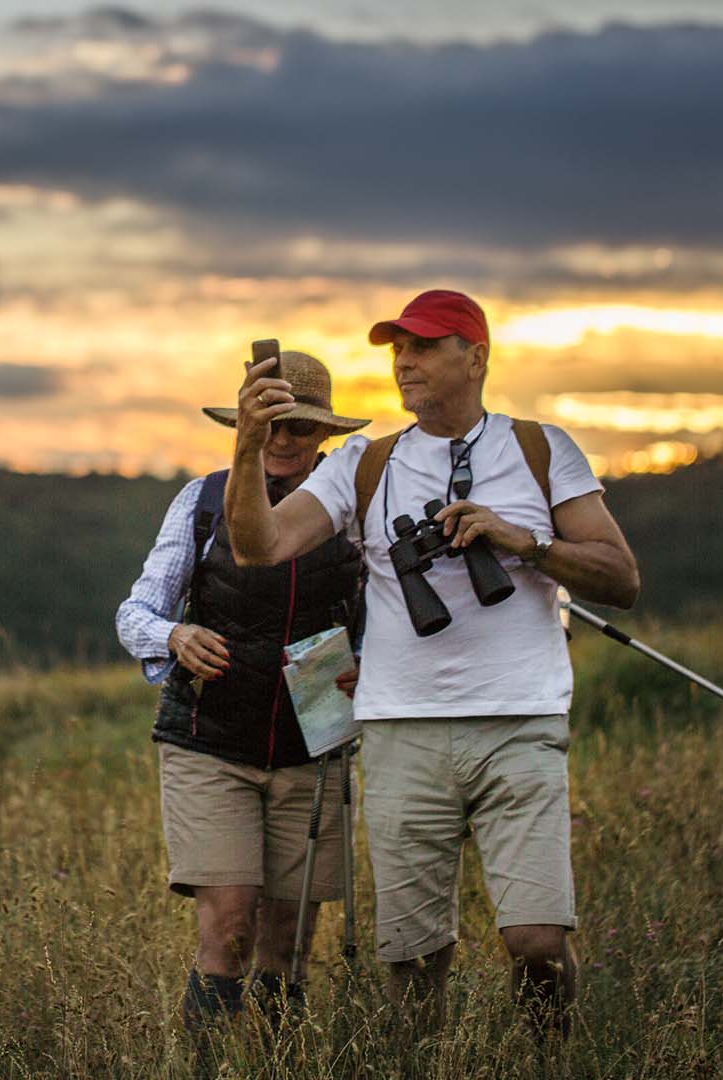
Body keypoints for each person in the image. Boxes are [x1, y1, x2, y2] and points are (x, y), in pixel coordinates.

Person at [222, 289, 641, 1037]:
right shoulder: (364, 462)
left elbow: (622, 577)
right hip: (401, 730)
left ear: (474, 356)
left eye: (422, 345)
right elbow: (260, 546)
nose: (404, 362)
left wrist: (522, 543)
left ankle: (550, 1056)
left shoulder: (543, 449)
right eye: (396, 349)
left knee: (538, 944)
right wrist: (247, 446)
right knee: (413, 958)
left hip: (521, 721)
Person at [114, 351, 369, 1044]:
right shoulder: (202, 499)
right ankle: (205, 1063)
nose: (284, 442)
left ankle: (277, 1061)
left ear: (325, 438)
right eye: (270, 426)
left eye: (302, 430)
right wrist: (174, 636)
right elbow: (134, 612)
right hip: (209, 739)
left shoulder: (355, 509)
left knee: (285, 945)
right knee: (228, 929)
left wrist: (367, 670)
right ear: (244, 425)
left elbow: (388, 619)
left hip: (314, 744)